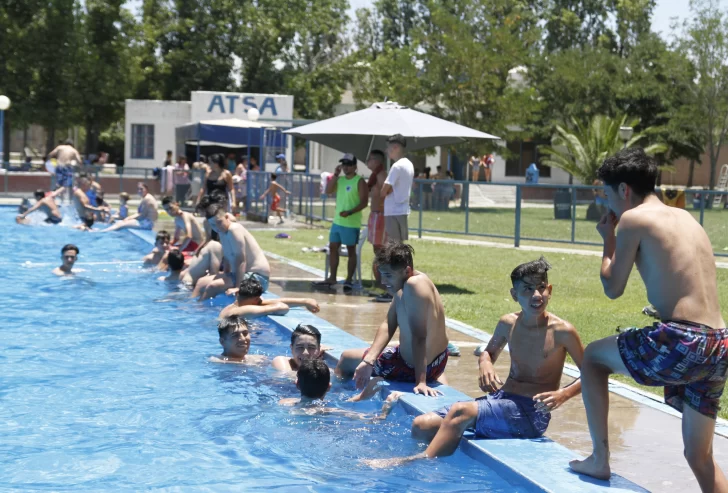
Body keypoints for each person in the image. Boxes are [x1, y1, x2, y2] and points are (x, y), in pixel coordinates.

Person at [567, 148, 728, 490]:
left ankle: (599, 459)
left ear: (624, 190)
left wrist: (607, 241)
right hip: (719, 343)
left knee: (594, 358)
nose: (607, 204)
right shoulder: (685, 217)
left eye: (607, 194)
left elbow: (613, 287)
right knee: (698, 455)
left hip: (684, 340)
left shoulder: (632, 219)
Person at [363, 258, 585, 468]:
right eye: (527, 289)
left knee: (461, 411)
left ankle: (417, 461)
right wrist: (485, 362)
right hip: (502, 400)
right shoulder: (508, 323)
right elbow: (488, 352)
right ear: (514, 294)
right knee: (422, 425)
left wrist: (563, 394)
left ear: (550, 290)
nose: (536, 295)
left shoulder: (562, 331)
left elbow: (593, 374)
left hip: (530, 412)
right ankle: (437, 470)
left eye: (541, 287)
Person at [335, 242, 449, 396]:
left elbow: (419, 337)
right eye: (382, 274)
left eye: (388, 275)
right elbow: (389, 323)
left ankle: (337, 395)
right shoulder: (408, 282)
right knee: (370, 357)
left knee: (346, 358)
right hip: (434, 362)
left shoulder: (413, 286)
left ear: (406, 270)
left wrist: (420, 382)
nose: (383, 281)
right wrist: (369, 360)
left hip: (411, 367)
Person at [311, 154, 368, 290]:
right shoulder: (341, 180)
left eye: (348, 165)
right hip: (337, 222)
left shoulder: (359, 181)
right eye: (344, 165)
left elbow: (364, 202)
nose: (346, 168)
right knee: (333, 248)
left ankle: (348, 279)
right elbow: (328, 190)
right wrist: (335, 175)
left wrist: (350, 212)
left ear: (355, 167)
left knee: (351, 250)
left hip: (351, 223)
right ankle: (332, 278)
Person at [193, 203, 271, 300]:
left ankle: (199, 310)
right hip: (242, 275)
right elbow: (226, 258)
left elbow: (241, 260)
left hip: (257, 278)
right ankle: (193, 308)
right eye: (212, 225)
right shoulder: (221, 231)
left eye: (219, 222)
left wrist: (238, 287)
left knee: (213, 286)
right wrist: (225, 275)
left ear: (226, 217)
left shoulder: (234, 229)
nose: (217, 227)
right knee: (201, 282)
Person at [219, 277, 320, 319]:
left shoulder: (235, 305)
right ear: (255, 300)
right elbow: (282, 307)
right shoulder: (243, 310)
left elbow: (270, 302)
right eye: (258, 300)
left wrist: (305, 301)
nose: (261, 301)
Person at [365, 150, 391, 301]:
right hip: (375, 214)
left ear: (376, 160)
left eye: (370, 159)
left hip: (381, 215)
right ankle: (381, 286)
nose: (367, 162)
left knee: (381, 252)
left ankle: (386, 287)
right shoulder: (375, 175)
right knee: (377, 251)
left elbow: (385, 194)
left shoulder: (381, 175)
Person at [382, 134, 414, 243]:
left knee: (392, 246)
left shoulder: (396, 166)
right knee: (400, 246)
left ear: (396, 147)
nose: (387, 150)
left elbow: (383, 191)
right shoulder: (409, 164)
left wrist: (388, 189)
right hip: (403, 210)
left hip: (393, 211)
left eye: (389, 147)